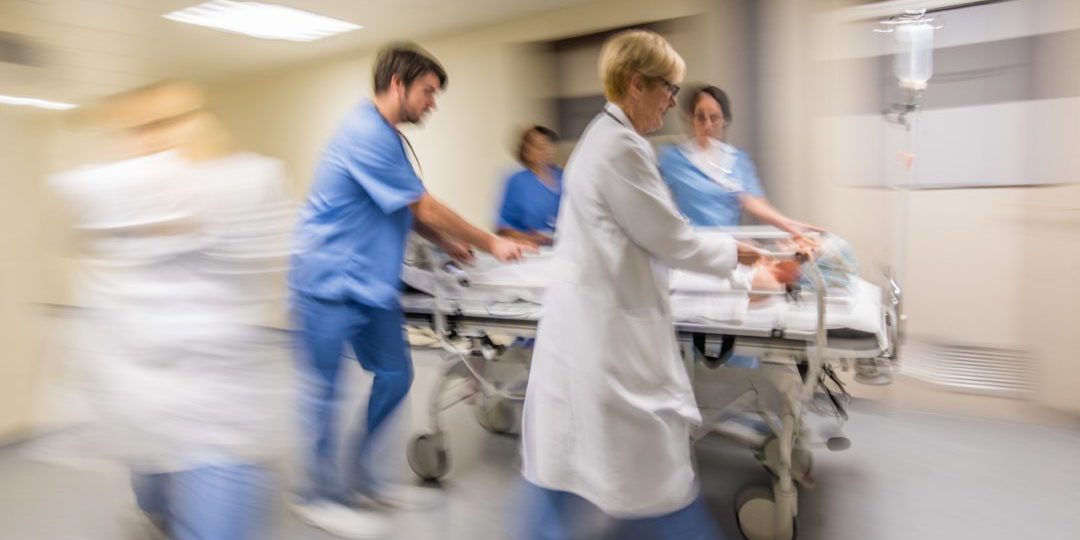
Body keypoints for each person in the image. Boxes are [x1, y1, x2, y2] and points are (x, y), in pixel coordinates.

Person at [518, 30, 780, 540]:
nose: (673, 102)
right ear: (637, 84)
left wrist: (736, 260)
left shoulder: (609, 139)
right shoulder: (619, 147)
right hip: (607, 339)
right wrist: (745, 258)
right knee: (647, 479)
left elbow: (653, 236)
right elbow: (672, 238)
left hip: (600, 328)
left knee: (572, 471)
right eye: (669, 88)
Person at [288, 42, 534, 538]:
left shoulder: (389, 138)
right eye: (427, 92)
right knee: (327, 395)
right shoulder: (364, 131)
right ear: (397, 84)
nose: (432, 103)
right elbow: (420, 204)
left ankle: (359, 476)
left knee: (396, 376)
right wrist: (488, 241)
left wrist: (447, 243)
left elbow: (402, 206)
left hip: (371, 286)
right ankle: (317, 495)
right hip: (326, 284)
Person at [39, 81, 292, 540]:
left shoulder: (246, 182)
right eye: (139, 129)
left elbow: (259, 230)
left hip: (219, 411)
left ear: (208, 125)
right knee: (153, 500)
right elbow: (80, 206)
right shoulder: (109, 192)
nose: (156, 138)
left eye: (172, 122)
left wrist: (183, 208)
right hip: (141, 400)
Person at [658, 85, 819, 238]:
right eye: (701, 117)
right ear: (691, 118)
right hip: (692, 252)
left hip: (731, 251)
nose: (707, 125)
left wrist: (788, 226)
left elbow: (755, 203)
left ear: (725, 120)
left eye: (714, 118)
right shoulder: (674, 159)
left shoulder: (737, 161)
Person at [495, 125, 563, 246]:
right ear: (526, 151)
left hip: (564, 249)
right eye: (539, 147)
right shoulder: (517, 182)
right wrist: (532, 238)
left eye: (548, 145)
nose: (547, 150)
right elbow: (502, 228)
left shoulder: (563, 177)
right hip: (532, 251)